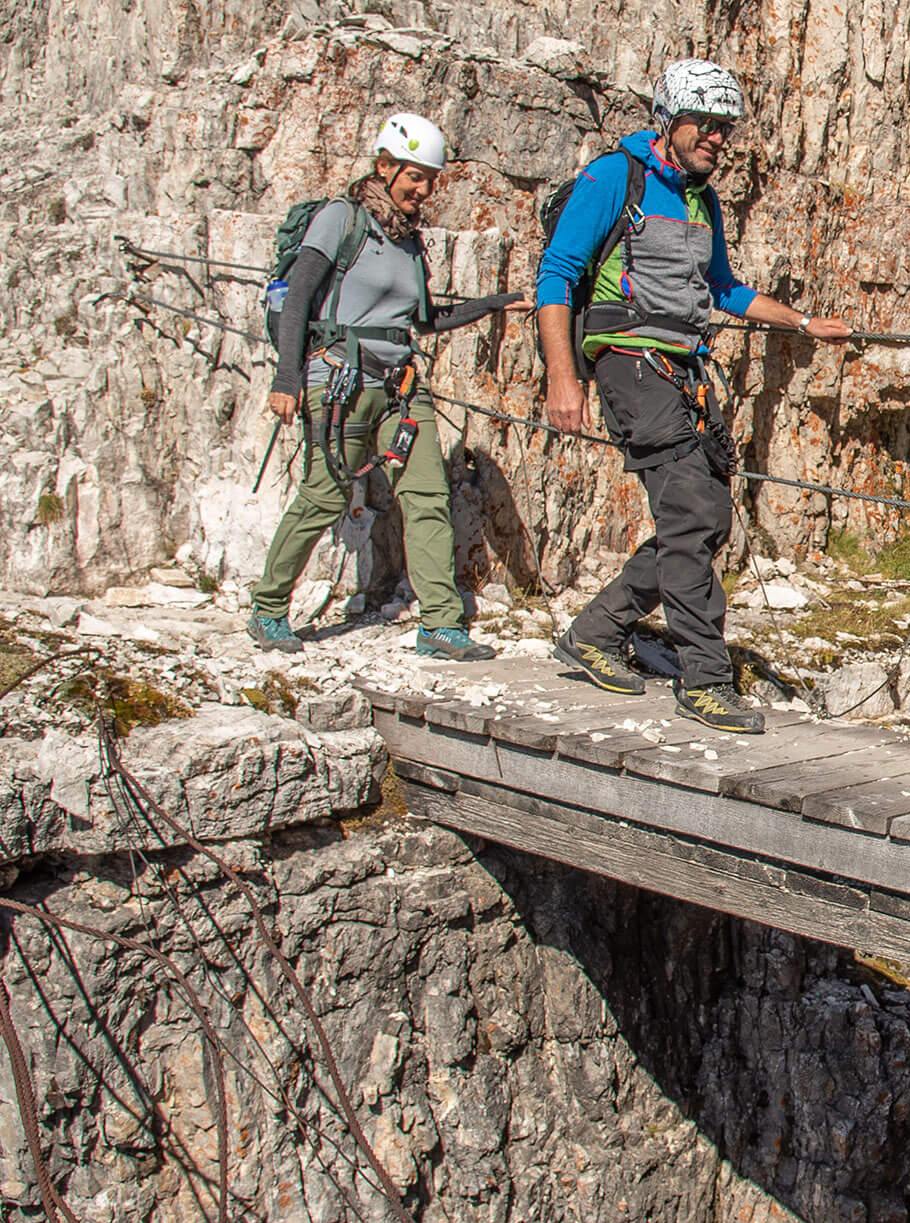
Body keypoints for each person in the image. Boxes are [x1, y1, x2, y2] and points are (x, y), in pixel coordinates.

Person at [534, 59, 849, 733]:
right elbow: (557, 273)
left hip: (685, 373)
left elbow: (725, 290)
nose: (716, 138)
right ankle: (704, 681)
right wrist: (565, 379)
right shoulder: (613, 178)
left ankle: (595, 632)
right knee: (690, 516)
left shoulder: (702, 199)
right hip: (627, 364)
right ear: (669, 119)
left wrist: (801, 321)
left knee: (704, 521)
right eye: (704, 124)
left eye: (724, 128)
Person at [250, 113, 517, 658]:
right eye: (414, 176)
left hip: (400, 383)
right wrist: (287, 377)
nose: (424, 188)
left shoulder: (409, 242)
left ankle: (441, 624)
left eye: (430, 179)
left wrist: (492, 304)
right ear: (385, 166)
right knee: (324, 495)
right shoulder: (340, 219)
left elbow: (422, 322)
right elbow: (300, 294)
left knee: (426, 495)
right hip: (338, 378)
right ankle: (268, 608)